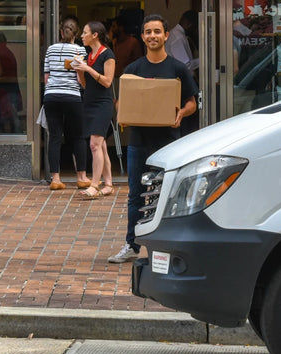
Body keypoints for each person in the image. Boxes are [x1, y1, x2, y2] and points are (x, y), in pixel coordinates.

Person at [108, 14, 197, 264]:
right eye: (148, 32)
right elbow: (122, 103)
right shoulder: (133, 70)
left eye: (157, 31)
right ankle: (132, 245)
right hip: (138, 142)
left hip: (169, 143)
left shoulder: (177, 68)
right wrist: (121, 113)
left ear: (166, 35)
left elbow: (192, 103)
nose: (153, 36)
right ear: (143, 36)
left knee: (167, 195)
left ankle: (165, 247)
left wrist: (181, 113)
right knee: (136, 195)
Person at [42, 17, 89, 191]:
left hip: (51, 96)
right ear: (75, 34)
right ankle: (82, 178)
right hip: (72, 97)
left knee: (54, 137)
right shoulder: (79, 50)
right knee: (78, 136)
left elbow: (46, 77)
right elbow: (79, 77)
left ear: (61, 32)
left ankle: (55, 179)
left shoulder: (50, 49)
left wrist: (53, 89)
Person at [71, 21, 115, 200]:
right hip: (89, 102)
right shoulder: (89, 55)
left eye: (85, 32)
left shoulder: (108, 54)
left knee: (94, 145)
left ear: (95, 35)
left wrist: (87, 68)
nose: (82, 36)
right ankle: (109, 183)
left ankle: (94, 185)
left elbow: (107, 82)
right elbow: (84, 84)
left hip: (103, 104)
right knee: (101, 145)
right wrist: (79, 70)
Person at [165, 9, 199, 74]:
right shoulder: (177, 37)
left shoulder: (178, 34)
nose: (194, 31)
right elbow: (185, 65)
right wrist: (204, 60)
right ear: (188, 24)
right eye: (194, 27)